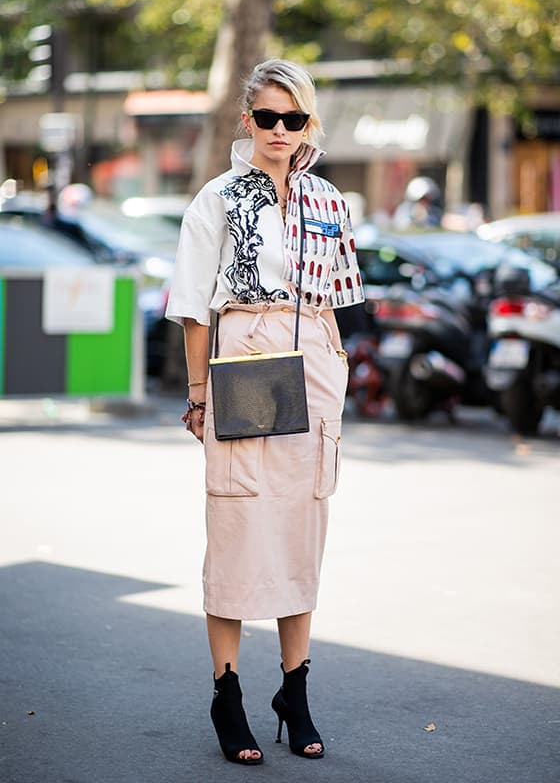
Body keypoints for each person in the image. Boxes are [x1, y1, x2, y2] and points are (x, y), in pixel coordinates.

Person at [165, 58, 364, 766]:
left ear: (309, 123)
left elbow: (340, 301)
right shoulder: (216, 201)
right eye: (269, 117)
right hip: (243, 356)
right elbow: (192, 307)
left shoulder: (329, 200)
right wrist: (197, 395)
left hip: (311, 355)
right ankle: (227, 693)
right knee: (239, 521)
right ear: (246, 120)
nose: (282, 131)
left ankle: (296, 689)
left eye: (296, 118)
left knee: (301, 524)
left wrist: (334, 368)